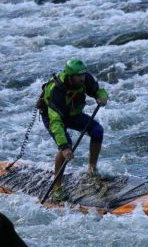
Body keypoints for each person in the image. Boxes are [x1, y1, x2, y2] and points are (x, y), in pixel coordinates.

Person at [38, 58, 108, 201]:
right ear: (70, 76)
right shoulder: (57, 92)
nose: (82, 78)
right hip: (53, 117)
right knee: (66, 148)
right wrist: (64, 147)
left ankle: (92, 169)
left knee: (97, 131)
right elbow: (56, 123)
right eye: (78, 76)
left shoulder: (85, 78)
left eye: (83, 75)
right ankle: (57, 188)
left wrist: (102, 97)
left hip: (73, 113)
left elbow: (97, 90)